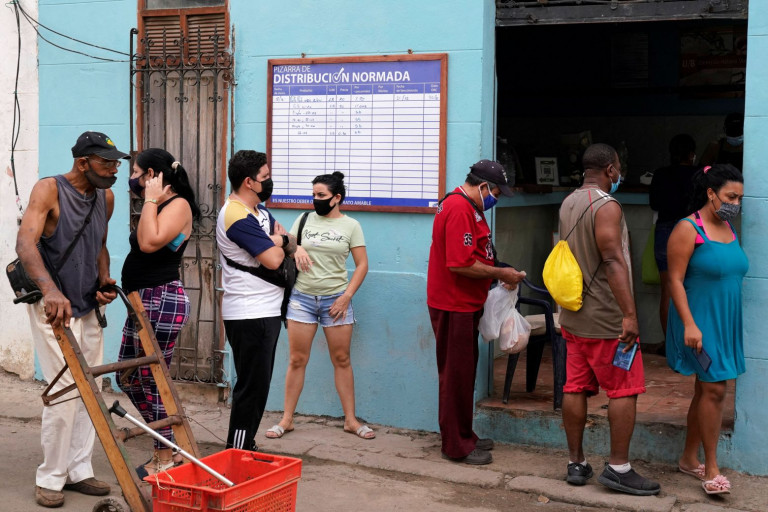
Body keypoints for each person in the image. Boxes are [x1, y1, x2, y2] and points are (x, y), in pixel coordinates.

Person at [15, 131, 128, 508]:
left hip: (88, 304)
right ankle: (50, 477)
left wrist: (104, 279)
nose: (114, 170)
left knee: (90, 388)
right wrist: (50, 290)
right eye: (107, 163)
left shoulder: (105, 197)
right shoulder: (49, 189)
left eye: (116, 164)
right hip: (54, 307)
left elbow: (99, 245)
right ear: (83, 163)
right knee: (65, 390)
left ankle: (79, 469)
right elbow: (25, 243)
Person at [558, 143, 660, 496]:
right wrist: (629, 314)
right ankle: (619, 468)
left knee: (574, 387)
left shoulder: (569, 201)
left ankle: (576, 462)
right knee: (624, 389)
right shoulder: (606, 205)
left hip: (574, 315)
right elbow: (613, 260)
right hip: (606, 318)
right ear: (611, 170)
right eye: (619, 168)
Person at [426, 160, 526, 465]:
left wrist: (500, 271)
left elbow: (478, 254)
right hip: (453, 304)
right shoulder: (459, 208)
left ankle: (464, 434)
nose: (496, 199)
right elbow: (460, 264)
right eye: (496, 193)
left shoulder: (471, 207)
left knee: (464, 373)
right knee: (455, 375)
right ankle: (455, 445)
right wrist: (500, 273)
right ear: (483, 186)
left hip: (465, 303)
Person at [264, 172, 372, 441]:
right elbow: (286, 244)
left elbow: (362, 265)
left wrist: (346, 296)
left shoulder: (351, 226)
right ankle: (287, 419)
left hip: (336, 301)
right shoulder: (304, 219)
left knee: (342, 359)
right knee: (297, 360)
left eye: (321, 195)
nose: (316, 200)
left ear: (337, 198)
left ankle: (350, 420)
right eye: (313, 194)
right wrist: (296, 248)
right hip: (302, 300)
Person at [117, 148, 201, 476]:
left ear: (151, 175)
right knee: (128, 376)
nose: (131, 179)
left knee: (152, 380)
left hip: (161, 298)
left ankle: (165, 455)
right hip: (143, 300)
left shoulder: (177, 205)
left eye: (136, 173)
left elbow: (149, 243)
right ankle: (168, 446)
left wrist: (150, 199)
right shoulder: (157, 205)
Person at [666, 164, 746, 495]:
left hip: (724, 322)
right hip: (697, 322)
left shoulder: (728, 227)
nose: (735, 204)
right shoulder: (688, 228)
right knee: (715, 390)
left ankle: (688, 458)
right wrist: (689, 324)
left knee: (705, 390)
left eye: (739, 199)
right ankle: (711, 468)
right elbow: (674, 280)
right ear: (711, 193)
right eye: (730, 196)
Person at [216, 150, 297, 451]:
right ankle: (237, 450)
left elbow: (292, 242)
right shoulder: (236, 215)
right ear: (249, 182)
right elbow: (275, 259)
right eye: (265, 177)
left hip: (267, 310)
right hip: (249, 312)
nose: (269, 181)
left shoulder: (259, 212)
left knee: (259, 384)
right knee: (251, 387)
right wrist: (281, 241)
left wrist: (282, 241)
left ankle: (245, 446)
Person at [649, 134, 698, 340]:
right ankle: (689, 342)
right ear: (691, 154)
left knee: (668, 290)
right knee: (692, 289)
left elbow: (654, 203)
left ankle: (669, 344)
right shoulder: (698, 174)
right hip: (690, 231)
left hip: (665, 231)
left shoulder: (661, 174)